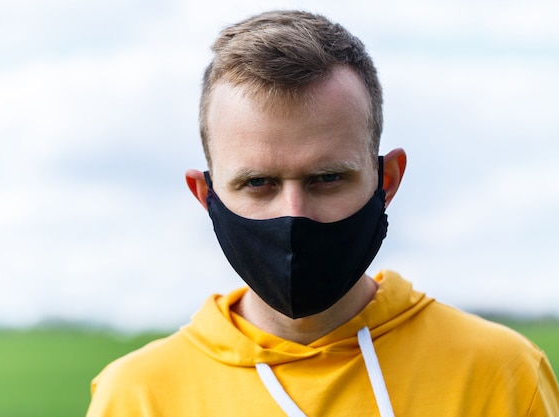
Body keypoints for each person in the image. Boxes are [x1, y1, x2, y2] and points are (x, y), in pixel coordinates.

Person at [86, 10, 559, 416]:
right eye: (258, 183)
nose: (295, 216)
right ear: (205, 194)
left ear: (387, 180)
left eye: (327, 178)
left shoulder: (500, 372)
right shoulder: (138, 396)